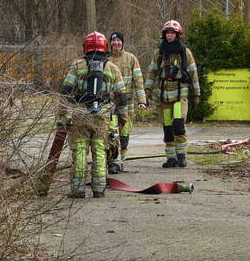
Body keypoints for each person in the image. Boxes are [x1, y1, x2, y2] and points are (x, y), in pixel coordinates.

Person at [57, 32, 127, 198]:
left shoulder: (77, 66)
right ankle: (98, 189)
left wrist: (62, 118)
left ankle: (78, 190)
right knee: (100, 151)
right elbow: (122, 97)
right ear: (105, 47)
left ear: (85, 46)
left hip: (80, 115)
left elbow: (65, 92)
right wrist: (122, 120)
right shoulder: (112, 67)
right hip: (102, 117)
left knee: (80, 151)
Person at [145, 20, 200, 168]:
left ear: (177, 35)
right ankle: (171, 158)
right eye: (167, 33)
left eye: (172, 33)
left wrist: (196, 94)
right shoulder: (159, 52)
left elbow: (193, 73)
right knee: (167, 128)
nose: (169, 36)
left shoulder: (185, 52)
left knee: (178, 124)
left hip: (179, 95)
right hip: (164, 96)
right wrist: (147, 90)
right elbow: (152, 72)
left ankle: (181, 155)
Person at [105, 31, 146, 174]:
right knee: (110, 132)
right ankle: (112, 160)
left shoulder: (131, 58)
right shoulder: (106, 59)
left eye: (118, 40)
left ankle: (121, 160)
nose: (116, 43)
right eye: (113, 40)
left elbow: (139, 81)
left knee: (124, 132)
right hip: (110, 103)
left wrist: (142, 101)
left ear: (122, 43)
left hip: (127, 103)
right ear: (110, 43)